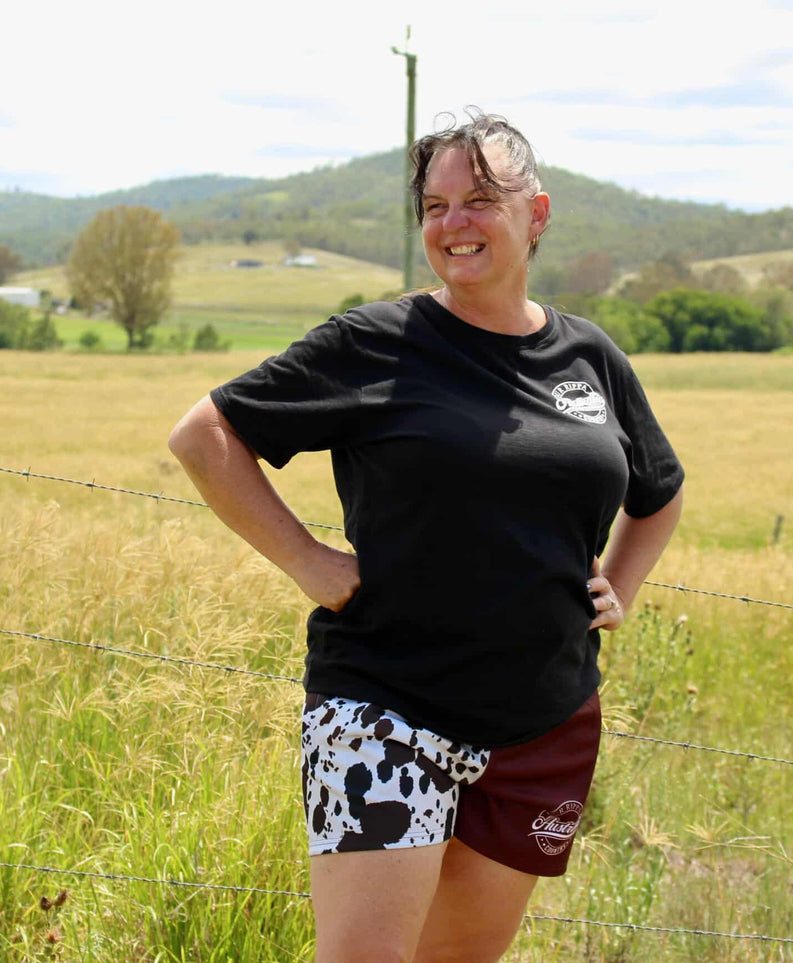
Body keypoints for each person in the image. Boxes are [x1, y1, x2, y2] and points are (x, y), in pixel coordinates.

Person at [168, 109, 684, 963]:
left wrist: (618, 587)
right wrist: (307, 560)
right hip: (388, 708)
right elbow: (205, 435)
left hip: (542, 724)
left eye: (478, 200)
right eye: (434, 206)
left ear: (536, 214)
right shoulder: (374, 343)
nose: (453, 224)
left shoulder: (590, 358)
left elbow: (657, 491)